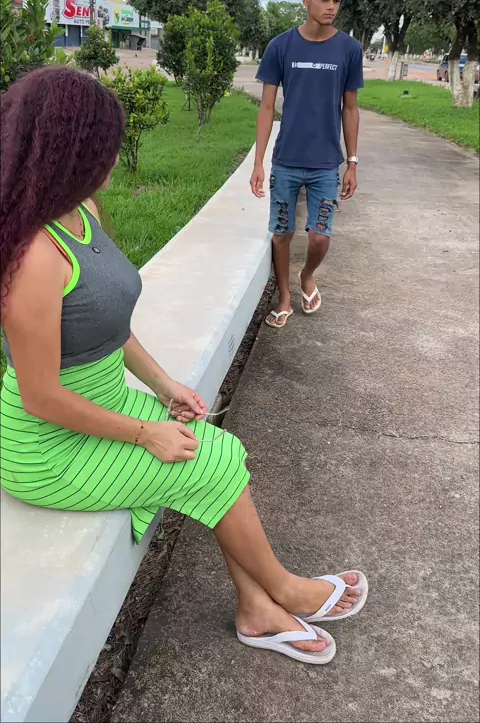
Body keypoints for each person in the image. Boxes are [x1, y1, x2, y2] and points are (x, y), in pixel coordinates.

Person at [0, 67, 367, 663]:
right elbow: (41, 395)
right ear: (69, 151)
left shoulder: (81, 212)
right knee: (212, 464)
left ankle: (257, 610)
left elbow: (106, 323)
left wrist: (165, 384)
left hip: (102, 401)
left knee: (220, 450)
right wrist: (145, 432)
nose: (114, 158)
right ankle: (282, 591)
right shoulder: (35, 254)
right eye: (105, 146)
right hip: (47, 447)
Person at [250, 0, 364, 328]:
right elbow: (267, 107)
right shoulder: (281, 46)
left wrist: (352, 162)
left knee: (318, 237)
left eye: (337, 1)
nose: (331, 7)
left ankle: (307, 276)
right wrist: (258, 162)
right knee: (282, 234)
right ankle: (284, 296)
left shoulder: (349, 49)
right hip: (286, 161)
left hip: (326, 164)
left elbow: (350, 108)